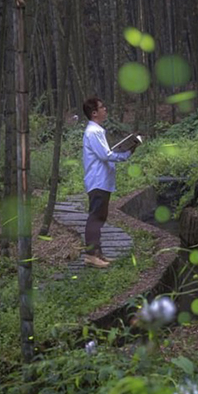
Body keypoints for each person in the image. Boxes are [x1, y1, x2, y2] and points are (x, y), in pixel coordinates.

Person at [81, 97, 135, 268]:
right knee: (95, 217)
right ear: (94, 113)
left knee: (100, 217)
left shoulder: (97, 130)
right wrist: (125, 154)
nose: (105, 109)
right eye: (102, 107)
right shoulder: (93, 132)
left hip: (101, 180)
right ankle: (90, 255)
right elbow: (105, 155)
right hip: (97, 180)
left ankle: (98, 254)